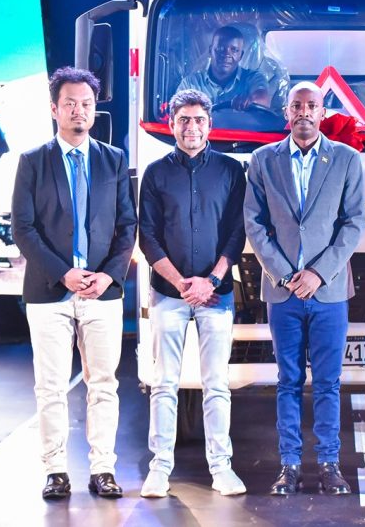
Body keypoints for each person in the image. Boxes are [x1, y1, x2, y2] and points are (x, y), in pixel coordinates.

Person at [11, 67, 136, 500]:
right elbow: (23, 230)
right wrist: (63, 272)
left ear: (95, 109)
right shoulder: (32, 162)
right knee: (50, 386)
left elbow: (127, 225)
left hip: (102, 291)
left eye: (86, 104)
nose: (79, 111)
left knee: (103, 384)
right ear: (54, 108)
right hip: (50, 292)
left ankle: (103, 469)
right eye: (70, 103)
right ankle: (55, 470)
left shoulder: (114, 159)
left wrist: (108, 275)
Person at [243, 81, 365, 496]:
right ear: (286, 112)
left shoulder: (346, 159)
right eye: (297, 106)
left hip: (329, 293)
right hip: (283, 294)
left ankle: (330, 465)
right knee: (288, 381)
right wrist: (283, 274)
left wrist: (319, 273)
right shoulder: (262, 161)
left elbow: (353, 224)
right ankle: (290, 467)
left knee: (329, 383)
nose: (304, 112)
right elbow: (255, 224)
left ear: (323, 111)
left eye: (312, 105)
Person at [137, 89, 248, 498]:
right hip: (168, 293)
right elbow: (146, 234)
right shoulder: (155, 173)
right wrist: (181, 282)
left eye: (199, 120)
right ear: (171, 125)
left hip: (216, 295)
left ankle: (222, 469)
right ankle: (159, 469)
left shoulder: (231, 171)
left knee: (216, 384)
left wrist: (211, 280)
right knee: (165, 383)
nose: (192, 127)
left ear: (210, 125)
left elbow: (238, 232)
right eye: (184, 120)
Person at [177, 25, 272, 110]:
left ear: (241, 55)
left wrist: (250, 101)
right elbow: (178, 111)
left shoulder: (253, 78)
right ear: (210, 51)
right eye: (220, 48)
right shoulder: (190, 83)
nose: (226, 54)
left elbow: (262, 99)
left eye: (234, 50)